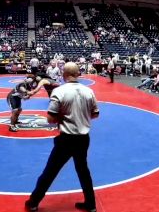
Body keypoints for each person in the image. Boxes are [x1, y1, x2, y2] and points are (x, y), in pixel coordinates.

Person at [25, 62, 99, 212]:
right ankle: (91, 205)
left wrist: (66, 117)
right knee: (83, 171)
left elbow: (50, 119)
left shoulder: (59, 91)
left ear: (64, 75)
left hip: (66, 139)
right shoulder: (89, 91)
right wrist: (81, 116)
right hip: (83, 139)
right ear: (78, 74)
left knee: (50, 171)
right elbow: (95, 114)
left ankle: (33, 202)